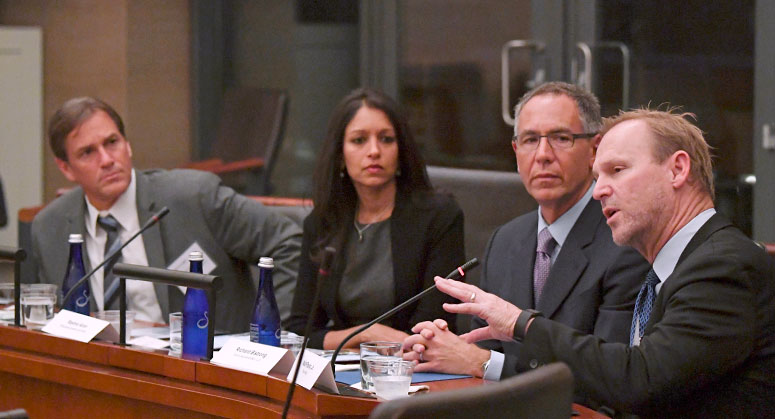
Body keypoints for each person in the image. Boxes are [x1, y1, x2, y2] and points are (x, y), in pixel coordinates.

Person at [433, 108, 775, 417]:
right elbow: (610, 382)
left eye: (617, 170)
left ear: (677, 169)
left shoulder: (723, 267)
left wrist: (521, 323)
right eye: (599, 176)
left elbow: (640, 381)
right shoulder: (676, 267)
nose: (599, 191)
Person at [403, 82, 648, 384]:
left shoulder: (624, 241)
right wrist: (443, 348)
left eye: (561, 138)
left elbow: (609, 378)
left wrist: (483, 362)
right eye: (531, 140)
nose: (543, 155)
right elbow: (480, 354)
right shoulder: (505, 241)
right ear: (516, 152)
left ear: (595, 150)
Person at [31, 97, 302, 332]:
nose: (106, 160)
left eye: (112, 142)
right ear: (65, 168)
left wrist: (274, 331)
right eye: (88, 152)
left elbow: (290, 243)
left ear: (128, 145)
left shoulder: (195, 197)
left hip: (203, 370)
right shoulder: (50, 227)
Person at [287, 88, 465, 349]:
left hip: (417, 372)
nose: (374, 151)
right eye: (359, 140)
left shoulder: (438, 217)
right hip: (341, 371)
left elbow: (434, 329)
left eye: (386, 139)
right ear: (340, 155)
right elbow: (300, 330)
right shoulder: (323, 222)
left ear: (401, 150)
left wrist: (364, 339)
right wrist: (365, 334)